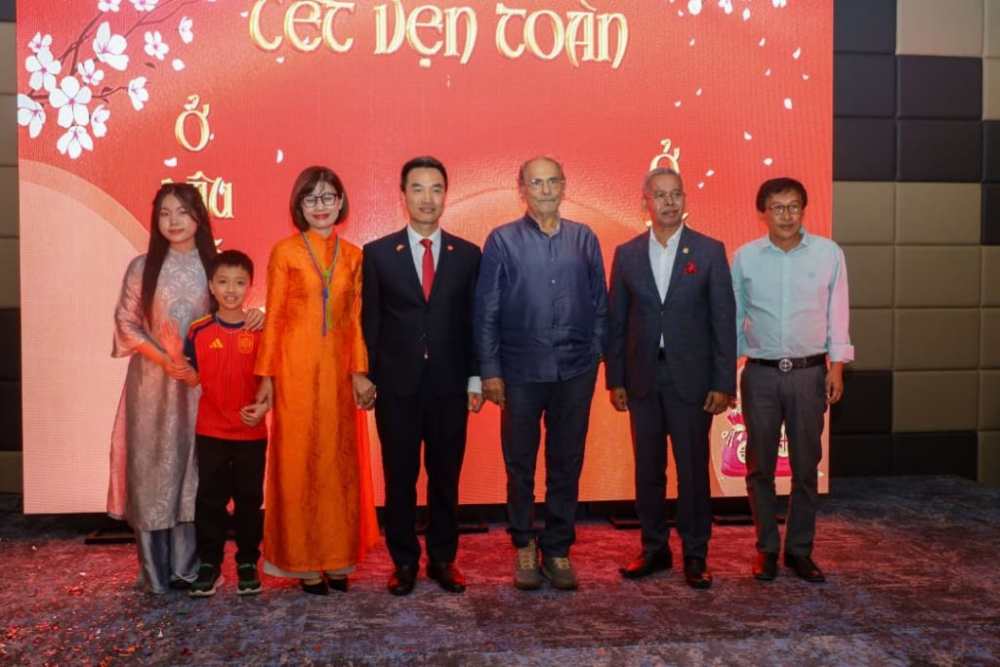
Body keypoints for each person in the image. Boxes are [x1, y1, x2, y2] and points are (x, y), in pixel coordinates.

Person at [474, 156, 608, 591]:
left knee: (567, 463)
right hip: (520, 372)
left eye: (553, 181)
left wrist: (596, 354)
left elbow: (600, 304)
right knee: (520, 465)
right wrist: (490, 371)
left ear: (564, 186)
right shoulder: (502, 240)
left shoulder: (584, 238)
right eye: (537, 183)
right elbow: (487, 311)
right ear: (522, 190)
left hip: (576, 371)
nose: (546, 190)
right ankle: (523, 544)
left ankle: (557, 548)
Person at [606, 168, 736, 590]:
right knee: (648, 470)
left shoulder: (710, 250)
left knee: (692, 471)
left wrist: (723, 383)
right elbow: (616, 322)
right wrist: (615, 378)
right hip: (643, 378)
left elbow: (723, 321)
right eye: (660, 195)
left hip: (693, 381)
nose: (669, 202)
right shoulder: (627, 253)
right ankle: (654, 548)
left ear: (684, 199)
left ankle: (696, 553)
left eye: (675, 194)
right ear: (645, 201)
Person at [254, 166, 379, 595]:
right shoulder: (285, 252)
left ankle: (339, 559)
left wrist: (360, 372)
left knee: (336, 464)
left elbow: (357, 322)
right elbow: (274, 318)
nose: (320, 206)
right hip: (293, 372)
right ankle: (303, 562)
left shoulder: (355, 256)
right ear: (299, 205)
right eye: (311, 199)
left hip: (339, 375)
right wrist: (266, 376)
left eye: (328, 197)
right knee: (297, 464)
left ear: (341, 202)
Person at [362, 156, 482, 596]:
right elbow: (370, 322)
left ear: (445, 195)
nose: (427, 198)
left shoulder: (467, 255)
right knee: (400, 477)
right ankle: (405, 561)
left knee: (445, 476)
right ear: (403, 196)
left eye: (436, 189)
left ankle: (443, 559)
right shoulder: (378, 254)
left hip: (450, 385)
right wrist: (366, 375)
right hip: (397, 386)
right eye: (417, 188)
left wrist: (476, 378)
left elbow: (474, 322)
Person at [731, 177, 853, 583]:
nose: (787, 215)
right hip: (760, 375)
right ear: (762, 212)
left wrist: (837, 365)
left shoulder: (828, 253)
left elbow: (838, 313)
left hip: (809, 374)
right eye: (778, 207)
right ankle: (766, 549)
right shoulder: (745, 258)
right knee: (759, 468)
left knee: (805, 468)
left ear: (804, 209)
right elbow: (734, 317)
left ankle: (800, 550)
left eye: (794, 206)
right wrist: (725, 373)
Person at [108, 183, 218, 594]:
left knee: (193, 470)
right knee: (152, 470)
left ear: (199, 217)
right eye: (165, 213)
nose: (173, 221)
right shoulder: (142, 267)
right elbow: (126, 323)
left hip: (197, 385)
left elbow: (226, 320)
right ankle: (154, 572)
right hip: (151, 386)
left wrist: (195, 366)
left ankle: (189, 567)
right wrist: (164, 358)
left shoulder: (213, 266)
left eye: (182, 212)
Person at [162, 250, 270, 598]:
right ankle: (209, 563)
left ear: (250, 286)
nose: (231, 289)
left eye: (239, 282)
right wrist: (176, 360)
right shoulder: (199, 329)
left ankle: (247, 562)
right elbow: (193, 378)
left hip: (251, 433)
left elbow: (271, 379)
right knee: (210, 500)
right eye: (223, 282)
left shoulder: (260, 328)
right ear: (211, 285)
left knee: (249, 500)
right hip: (211, 431)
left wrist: (263, 407)